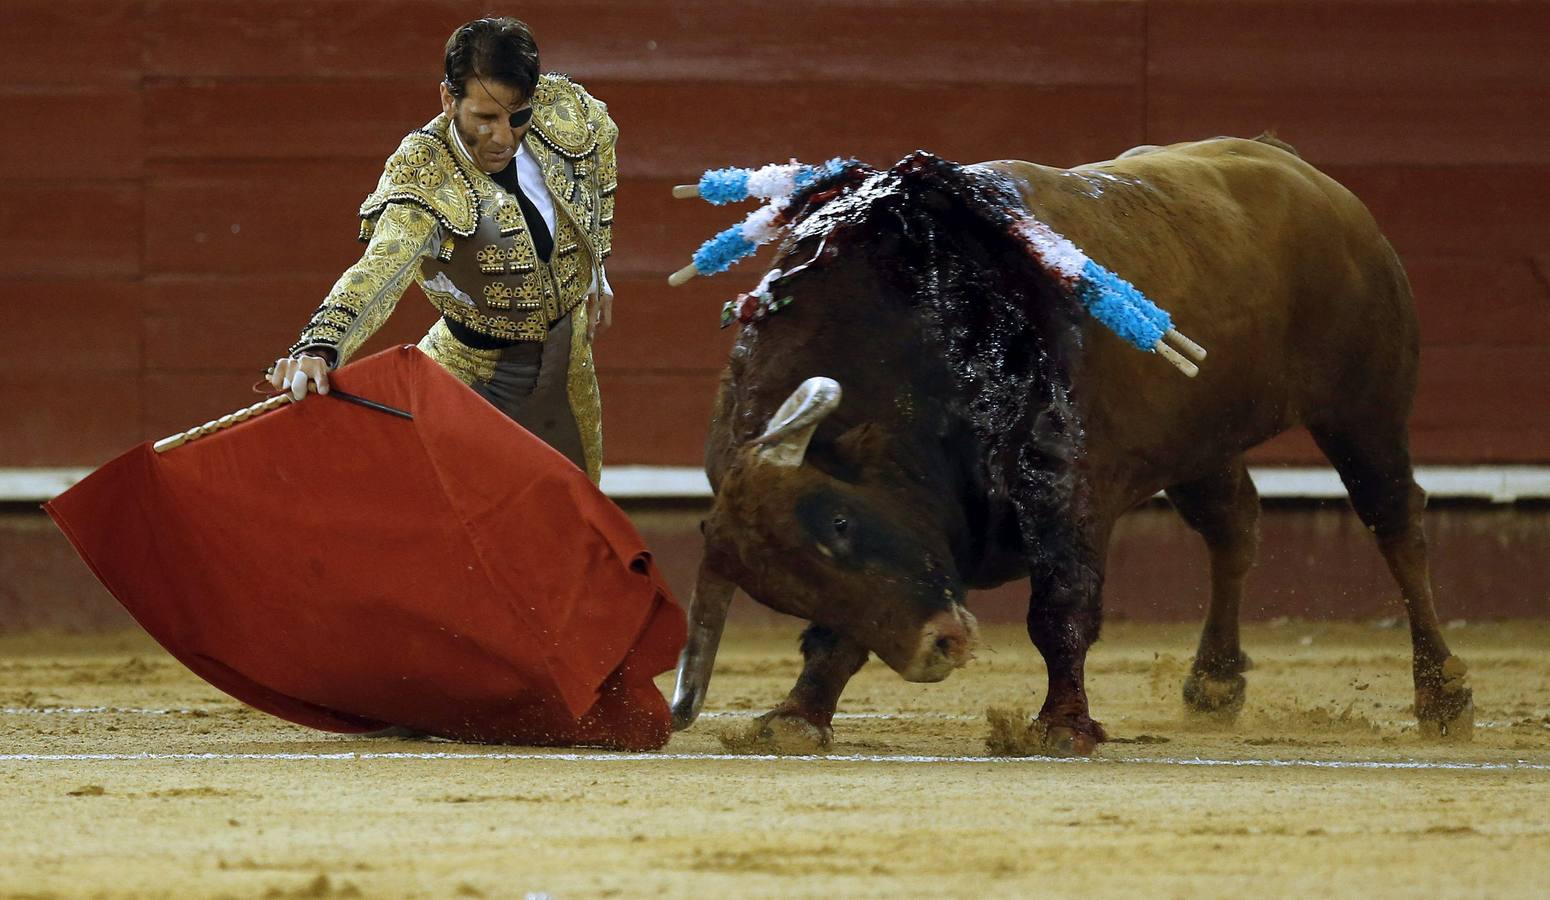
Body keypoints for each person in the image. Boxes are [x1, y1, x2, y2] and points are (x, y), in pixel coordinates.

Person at [267, 16, 617, 482]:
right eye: (485, 118)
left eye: (517, 117)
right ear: (448, 99)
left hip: (567, 364)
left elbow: (600, 159)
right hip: (469, 378)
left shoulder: (562, 109)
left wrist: (597, 267)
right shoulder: (425, 171)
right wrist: (320, 345)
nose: (504, 137)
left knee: (579, 520)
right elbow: (380, 270)